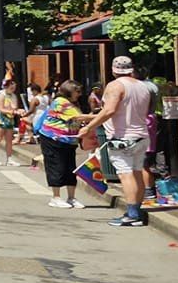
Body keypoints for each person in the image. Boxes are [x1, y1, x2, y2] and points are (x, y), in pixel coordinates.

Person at [79, 55, 154, 226]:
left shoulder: (115, 86)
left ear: (113, 70)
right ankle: (137, 211)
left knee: (125, 174)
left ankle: (132, 214)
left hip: (122, 137)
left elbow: (109, 110)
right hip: (141, 135)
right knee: (137, 173)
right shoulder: (142, 86)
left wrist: (88, 127)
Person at [33, 79, 88, 208]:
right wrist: (103, 115)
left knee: (70, 168)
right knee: (56, 166)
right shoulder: (61, 102)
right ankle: (55, 197)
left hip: (68, 140)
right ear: (69, 91)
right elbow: (78, 117)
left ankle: (71, 197)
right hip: (53, 138)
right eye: (77, 91)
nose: (79, 94)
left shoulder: (73, 103)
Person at [0, 78, 21, 168]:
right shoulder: (0, 95)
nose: (13, 89)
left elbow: (15, 107)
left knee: (9, 140)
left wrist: (18, 111)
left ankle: (9, 158)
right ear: (6, 87)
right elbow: (1, 109)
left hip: (9, 119)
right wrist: (13, 112)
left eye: (14, 87)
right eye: (11, 87)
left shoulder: (13, 96)